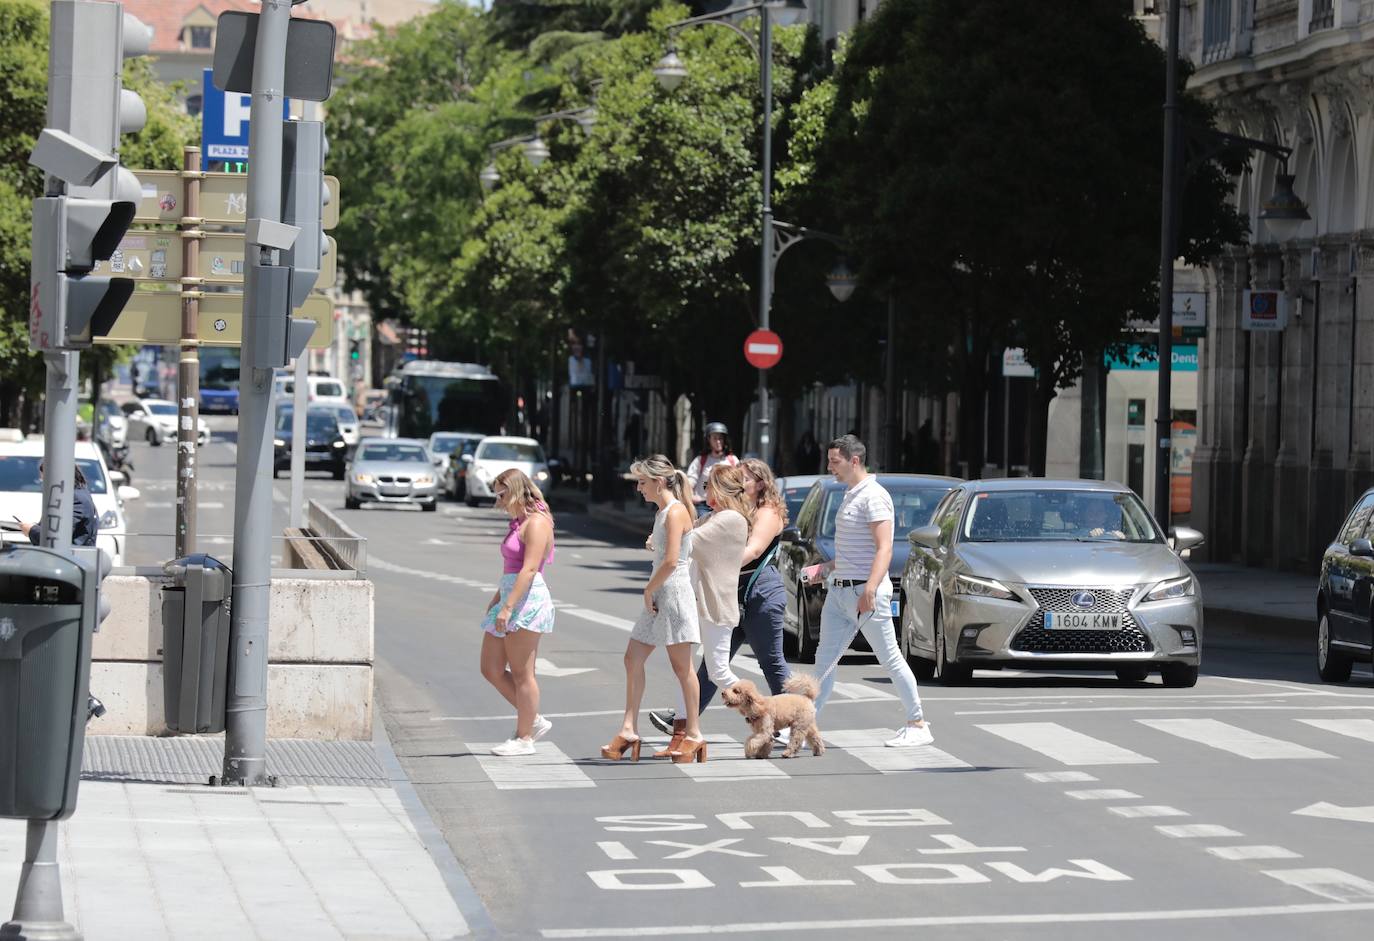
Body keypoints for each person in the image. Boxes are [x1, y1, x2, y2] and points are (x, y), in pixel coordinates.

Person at [649, 458, 790, 735]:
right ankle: (684, 719)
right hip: (729, 590)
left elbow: (753, 551)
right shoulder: (734, 511)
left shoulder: (766, 511)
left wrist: (718, 562)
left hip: (758, 590)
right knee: (714, 665)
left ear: (761, 483)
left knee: (770, 661)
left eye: (745, 478)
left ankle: (783, 721)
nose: (739, 482)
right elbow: (692, 532)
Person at [813, 434, 933, 747]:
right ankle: (805, 723)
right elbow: (856, 551)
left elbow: (884, 548)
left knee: (890, 658)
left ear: (855, 461)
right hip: (840, 592)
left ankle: (917, 723)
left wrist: (870, 587)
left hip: (863, 593)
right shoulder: (851, 494)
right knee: (824, 662)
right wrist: (825, 568)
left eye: (835, 461)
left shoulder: (873, 496)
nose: (830, 468)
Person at [601, 456, 706, 764]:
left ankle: (695, 734)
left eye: (642, 483)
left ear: (659, 483)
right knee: (632, 658)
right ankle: (629, 729)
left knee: (682, 667)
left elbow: (673, 561)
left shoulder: (675, 512)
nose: (638, 488)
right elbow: (667, 552)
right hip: (660, 593)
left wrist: (648, 588)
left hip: (671, 593)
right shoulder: (663, 513)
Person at [479, 469, 557, 757]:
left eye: (501, 494)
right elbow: (510, 569)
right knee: (491, 668)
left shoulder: (537, 523)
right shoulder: (519, 522)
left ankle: (525, 738)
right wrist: (497, 600)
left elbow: (530, 568)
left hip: (527, 601)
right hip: (511, 595)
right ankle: (533, 719)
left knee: (523, 673)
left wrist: (509, 606)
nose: (498, 501)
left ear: (514, 491)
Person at [21, 463, 98, 548]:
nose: (43, 484)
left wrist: (31, 530)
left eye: (45, 480)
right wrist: (36, 526)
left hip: (71, 557)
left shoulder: (75, 498)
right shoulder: (76, 494)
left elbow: (56, 538)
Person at [685, 421, 738, 512]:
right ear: (708, 440)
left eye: (720, 438)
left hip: (726, 505)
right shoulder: (701, 460)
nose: (718, 442)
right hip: (704, 505)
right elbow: (690, 481)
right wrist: (690, 496)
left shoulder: (732, 460)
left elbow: (739, 482)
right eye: (715, 438)